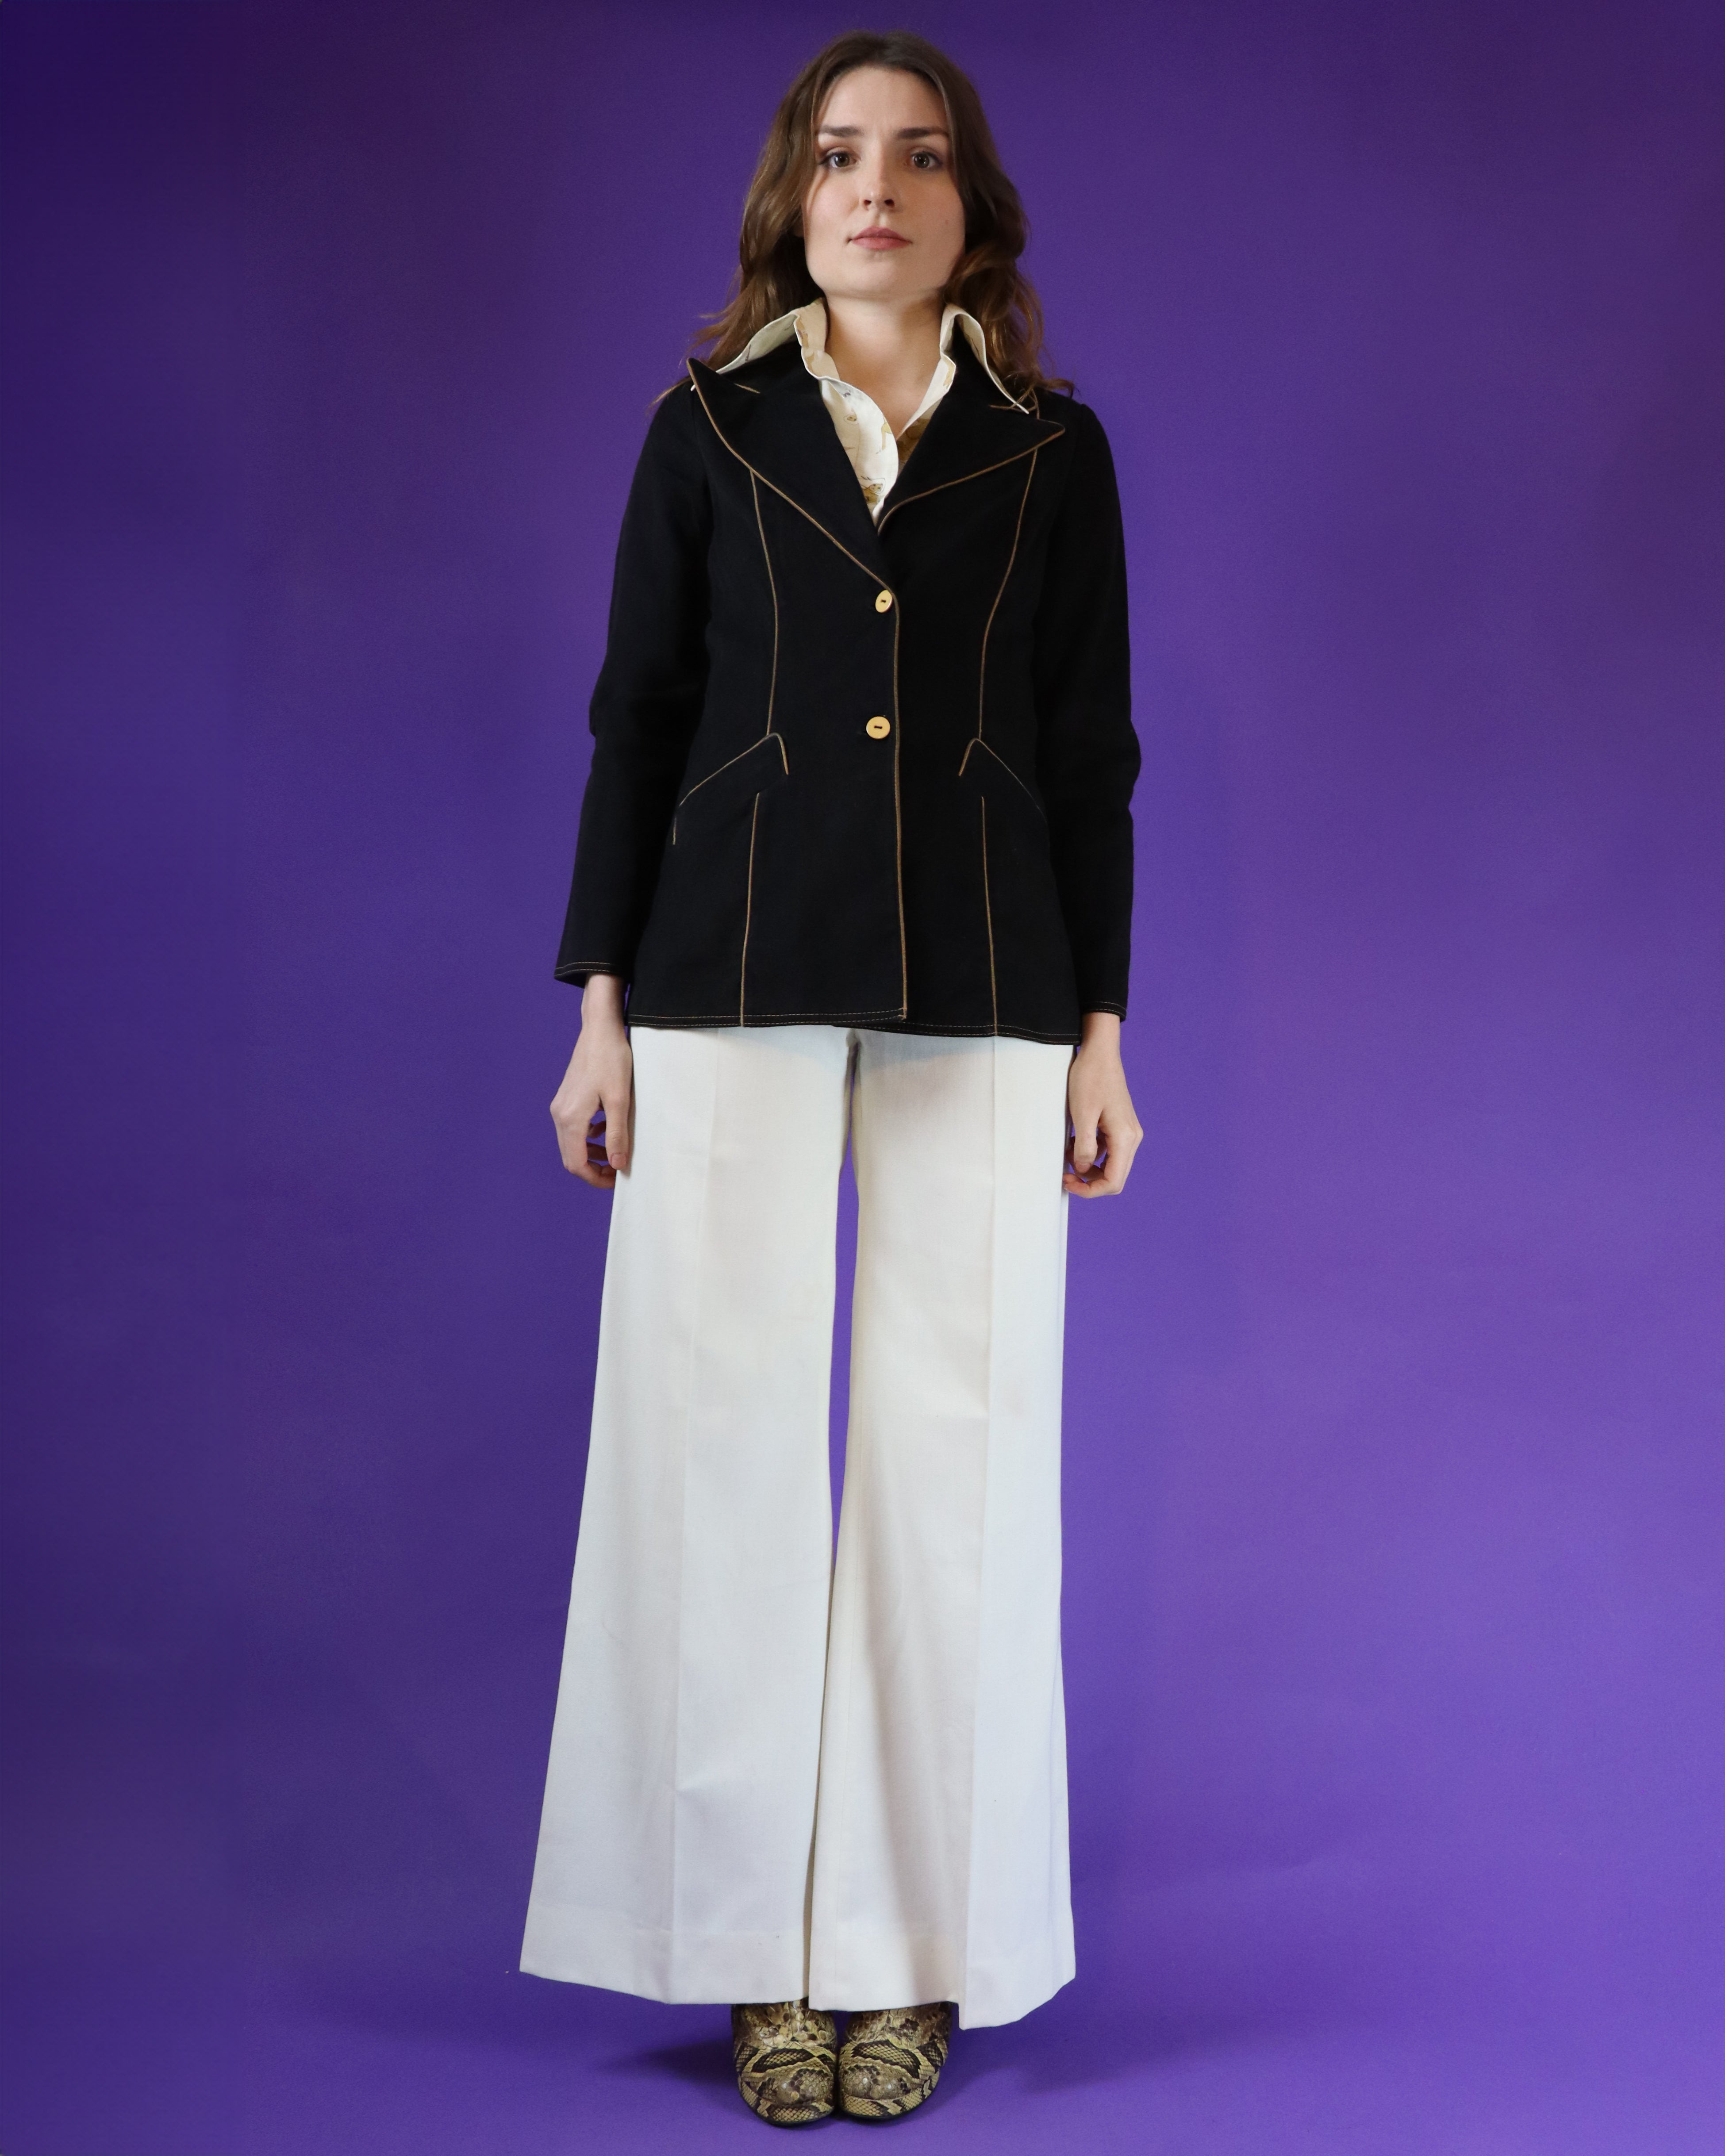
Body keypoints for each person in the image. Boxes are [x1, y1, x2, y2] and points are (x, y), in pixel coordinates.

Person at [520, 29, 1141, 2128]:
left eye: (922, 156)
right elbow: (635, 718)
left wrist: (1105, 1034)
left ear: (974, 208)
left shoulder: (1054, 453)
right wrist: (598, 1009)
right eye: (844, 154)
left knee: (963, 1456)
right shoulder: (707, 427)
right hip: (722, 972)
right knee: (715, 1446)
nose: (880, 187)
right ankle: (754, 1956)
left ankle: (907, 1951)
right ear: (795, 196)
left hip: (993, 982)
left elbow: (1090, 754)